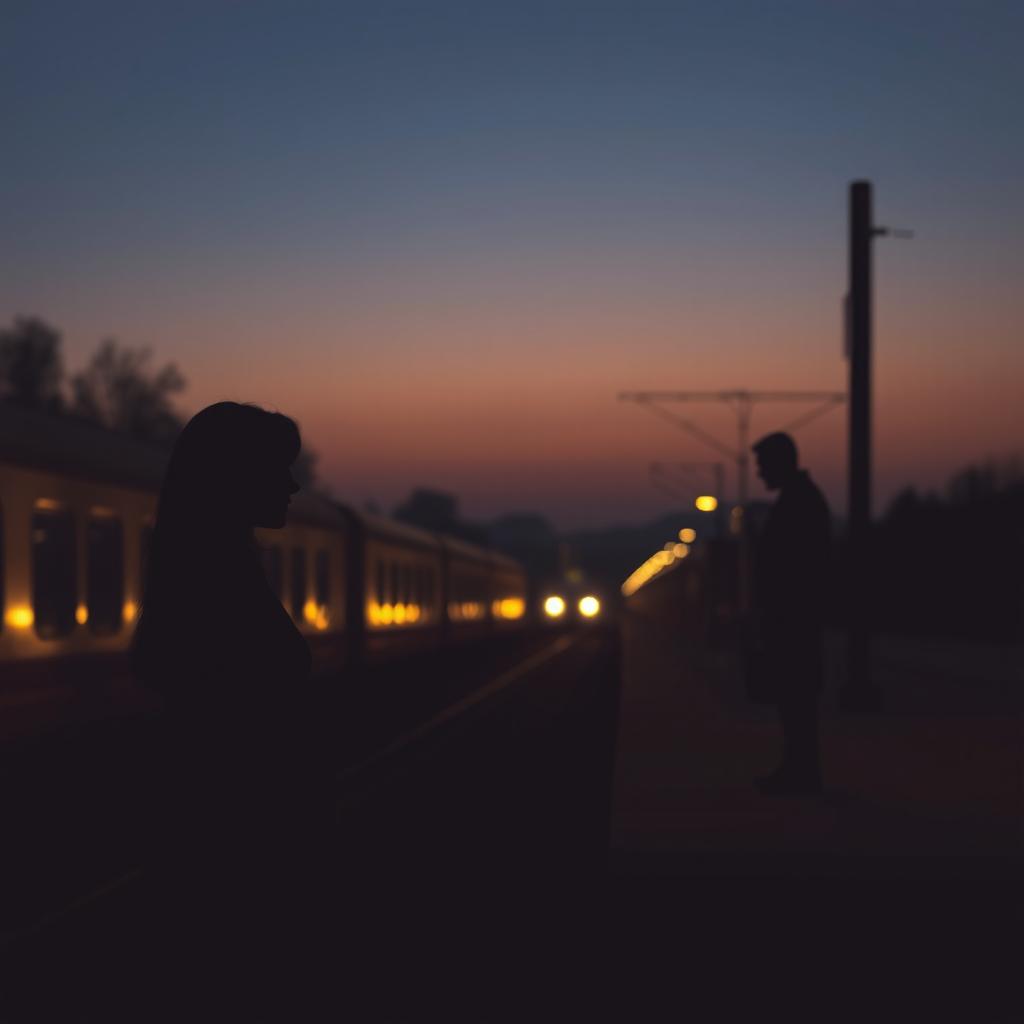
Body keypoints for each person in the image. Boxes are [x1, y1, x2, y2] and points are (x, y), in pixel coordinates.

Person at [132, 402, 326, 995]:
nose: (293, 485)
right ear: (233, 477)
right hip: (240, 865)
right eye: (276, 468)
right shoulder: (222, 588)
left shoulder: (202, 573)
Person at [750, 431, 831, 796]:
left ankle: (801, 774)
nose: (759, 473)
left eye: (763, 465)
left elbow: (798, 566)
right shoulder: (801, 499)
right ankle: (798, 769)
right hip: (793, 617)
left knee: (796, 697)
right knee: (793, 697)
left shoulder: (798, 503)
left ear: (781, 462)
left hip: (793, 619)